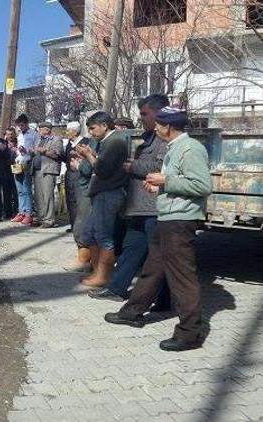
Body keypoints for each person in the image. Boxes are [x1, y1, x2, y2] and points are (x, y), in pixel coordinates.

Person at [105, 107, 212, 352]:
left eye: (159, 124)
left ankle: (190, 333)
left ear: (168, 127)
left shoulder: (190, 148)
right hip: (168, 217)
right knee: (152, 269)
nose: (155, 128)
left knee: (182, 278)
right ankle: (133, 312)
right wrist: (159, 187)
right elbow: (180, 182)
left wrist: (166, 181)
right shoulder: (174, 148)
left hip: (180, 220)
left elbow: (203, 185)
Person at [90, 94, 170, 302]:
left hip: (153, 207)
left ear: (159, 112)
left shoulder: (165, 139)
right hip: (139, 206)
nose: (142, 118)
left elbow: (159, 168)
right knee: (131, 249)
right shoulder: (149, 137)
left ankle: (164, 299)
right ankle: (116, 289)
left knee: (157, 256)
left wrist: (131, 165)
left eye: (145, 114)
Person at [75, 112, 129, 287]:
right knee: (90, 234)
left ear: (105, 125)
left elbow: (104, 170)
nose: (90, 133)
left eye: (93, 128)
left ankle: (104, 276)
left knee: (103, 236)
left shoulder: (115, 142)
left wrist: (89, 156)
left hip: (109, 192)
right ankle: (97, 271)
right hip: (101, 193)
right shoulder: (106, 141)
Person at [62, 121, 96, 272]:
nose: (91, 132)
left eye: (93, 128)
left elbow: (93, 165)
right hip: (74, 178)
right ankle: (85, 257)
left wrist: (82, 162)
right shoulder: (71, 144)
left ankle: (86, 259)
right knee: (75, 212)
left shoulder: (89, 143)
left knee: (83, 221)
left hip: (86, 183)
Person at [31, 122, 64, 228]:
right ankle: (41, 218)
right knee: (38, 196)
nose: (39, 131)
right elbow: (37, 152)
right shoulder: (39, 140)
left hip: (48, 170)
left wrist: (45, 152)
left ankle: (49, 220)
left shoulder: (56, 139)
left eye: (40, 129)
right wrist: (32, 151)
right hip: (37, 170)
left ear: (47, 129)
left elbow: (58, 154)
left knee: (47, 195)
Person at [11, 114, 37, 225]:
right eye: (19, 125)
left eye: (22, 125)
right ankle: (21, 212)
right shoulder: (20, 135)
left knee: (27, 189)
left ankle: (29, 213)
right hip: (18, 162)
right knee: (20, 190)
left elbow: (36, 149)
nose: (20, 127)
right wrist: (16, 150)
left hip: (27, 162)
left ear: (26, 123)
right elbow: (19, 151)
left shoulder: (34, 134)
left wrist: (28, 151)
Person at [3, 127, 18, 217]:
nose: (10, 136)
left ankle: (16, 211)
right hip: (6, 169)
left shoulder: (18, 142)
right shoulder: (3, 143)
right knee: (6, 191)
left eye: (11, 134)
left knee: (16, 191)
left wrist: (15, 150)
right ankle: (7, 212)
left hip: (16, 167)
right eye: (8, 134)